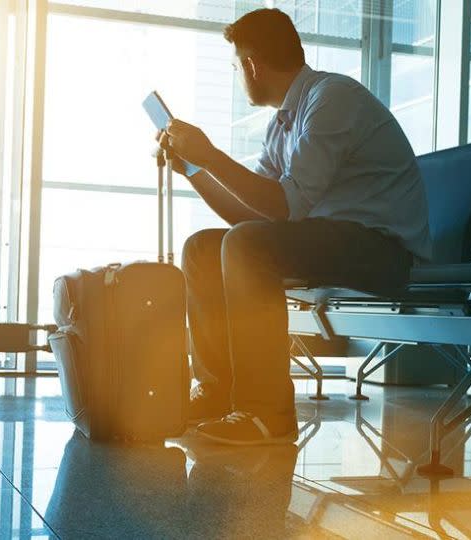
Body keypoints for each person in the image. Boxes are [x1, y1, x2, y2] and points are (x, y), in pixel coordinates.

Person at [158, 8, 431, 445]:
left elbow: (283, 205)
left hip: (382, 249)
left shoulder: (332, 98)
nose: (236, 75)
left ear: (252, 64)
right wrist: (194, 170)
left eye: (235, 66)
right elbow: (252, 216)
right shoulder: (282, 123)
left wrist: (209, 155)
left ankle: (266, 412)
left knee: (246, 246)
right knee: (202, 248)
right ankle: (217, 394)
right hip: (334, 239)